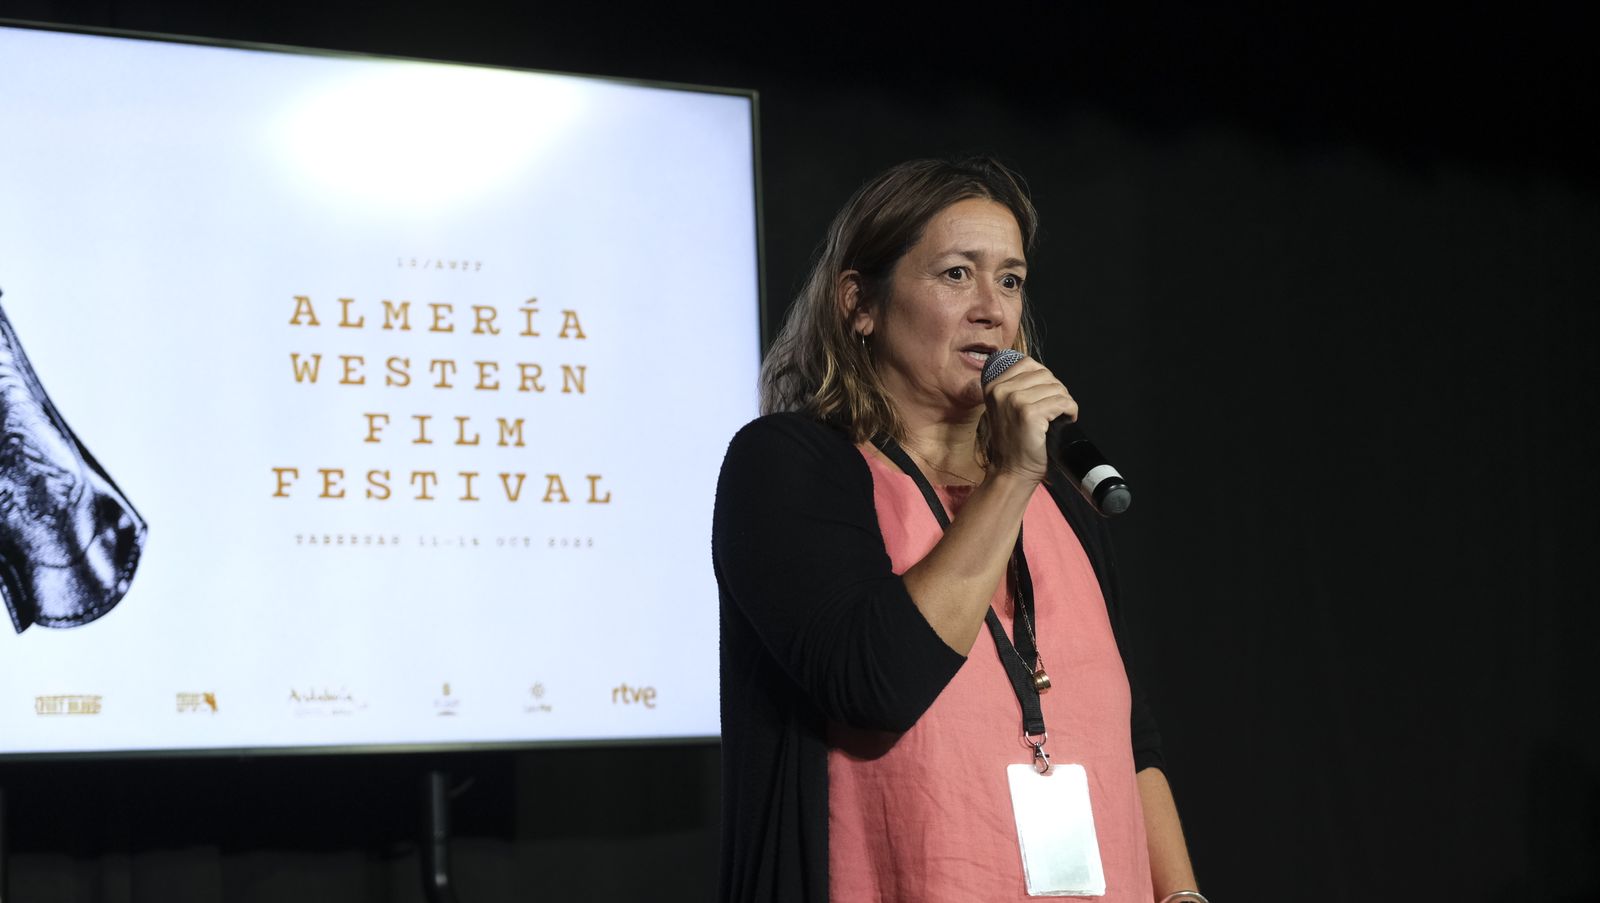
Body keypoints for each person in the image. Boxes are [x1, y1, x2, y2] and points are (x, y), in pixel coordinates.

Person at [713, 157, 1201, 903]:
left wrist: (1182, 894)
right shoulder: (788, 464)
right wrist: (1010, 478)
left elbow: (1133, 739)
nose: (991, 309)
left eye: (1010, 280)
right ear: (859, 303)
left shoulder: (1059, 505)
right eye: (955, 274)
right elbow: (873, 682)